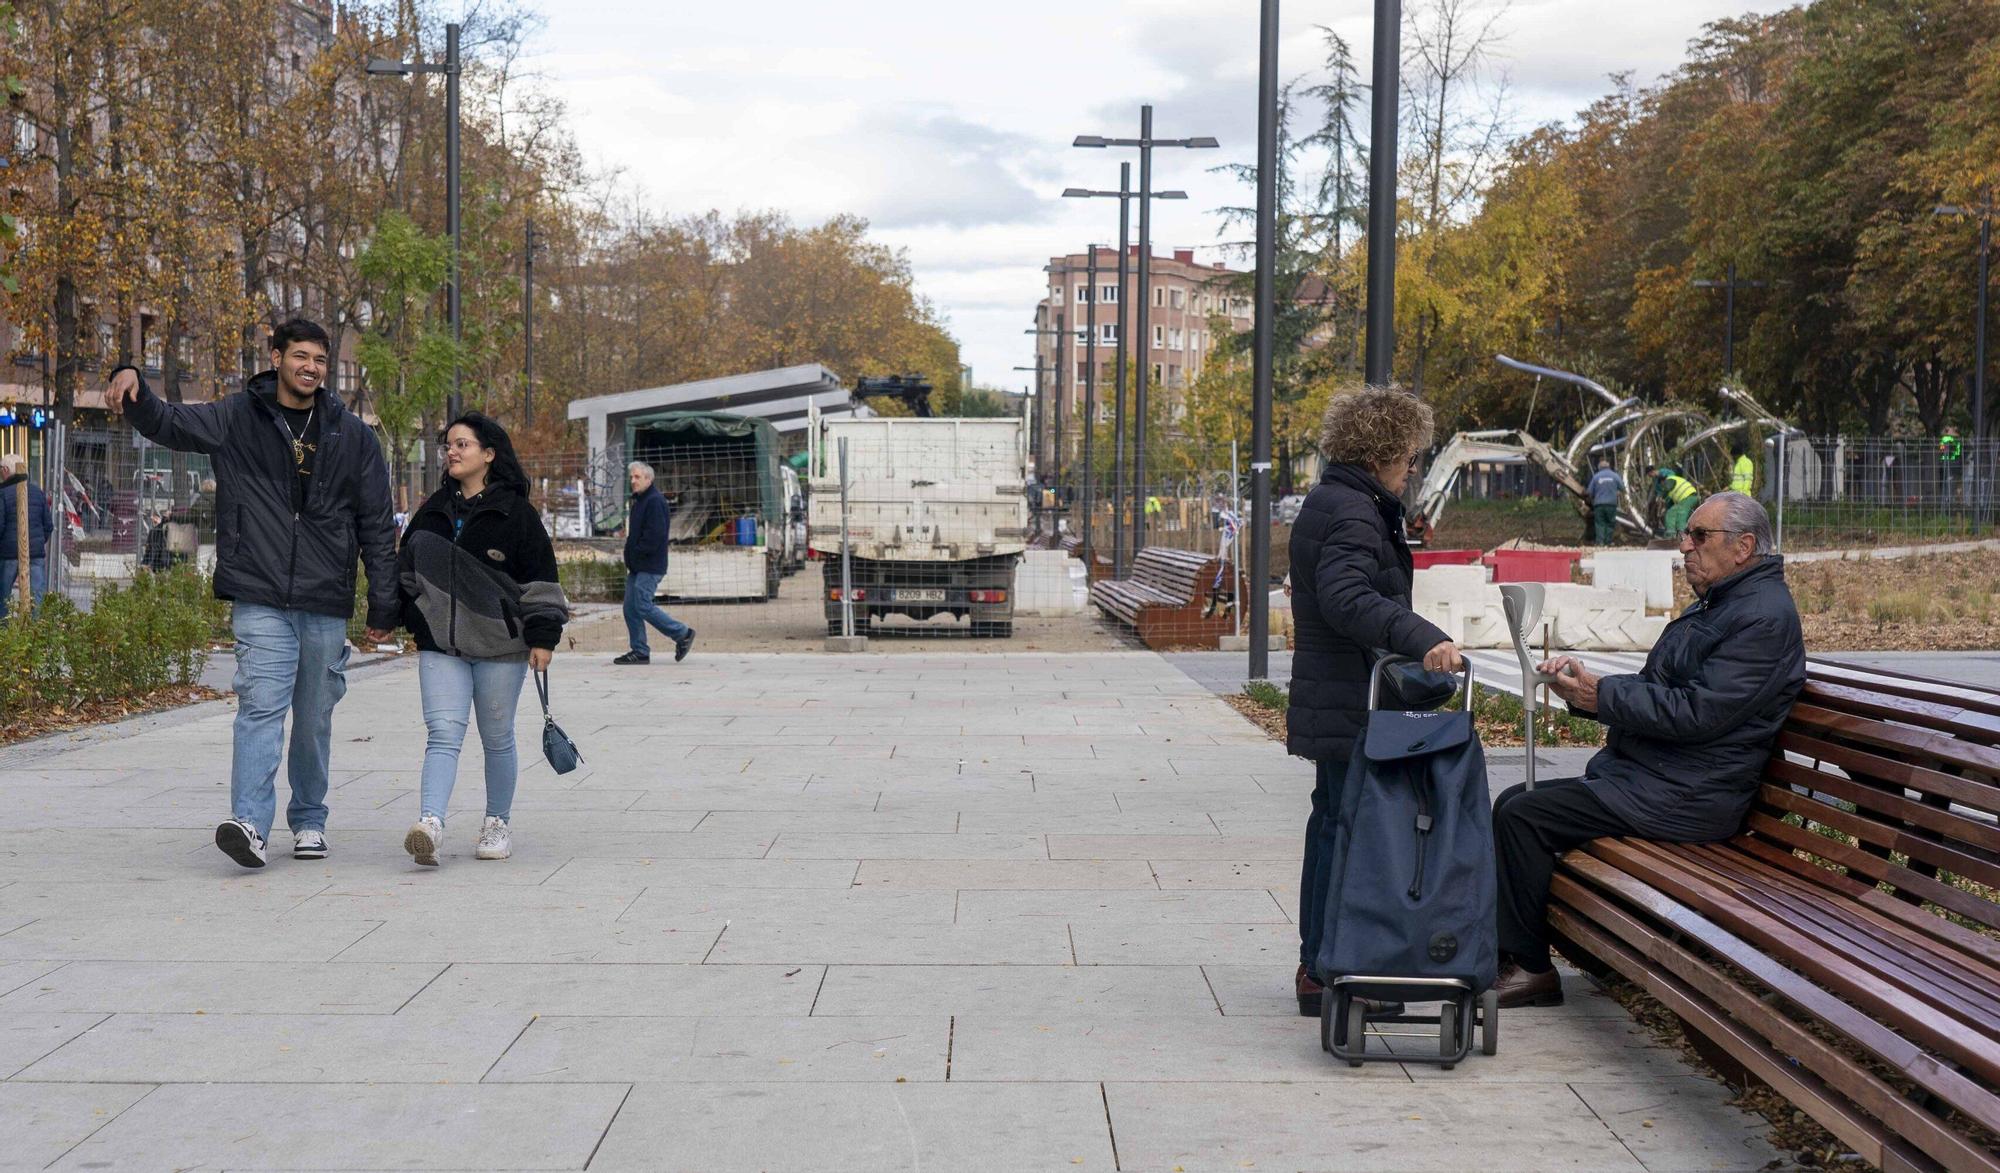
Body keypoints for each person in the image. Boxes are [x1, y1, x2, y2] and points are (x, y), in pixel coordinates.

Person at [1489, 491, 1804, 1008]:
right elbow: (1666, 693)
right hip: (1662, 779)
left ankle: (1530, 966)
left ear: (1743, 547)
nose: (1685, 546)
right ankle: (1517, 954)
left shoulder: (1761, 618)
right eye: (1688, 535)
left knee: (1524, 815)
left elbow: (1696, 713)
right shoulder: (1727, 604)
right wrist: (1588, 692)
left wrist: (1603, 696)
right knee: (1513, 804)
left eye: (1699, 536)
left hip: (1691, 795)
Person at [106, 318, 399, 869]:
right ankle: (250, 823)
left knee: (313, 717)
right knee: (260, 707)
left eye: (319, 359)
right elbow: (171, 423)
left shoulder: (350, 433)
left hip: (323, 597)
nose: (310, 367)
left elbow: (377, 524)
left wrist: (384, 601)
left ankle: (310, 818)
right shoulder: (237, 417)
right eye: (300, 356)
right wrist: (134, 381)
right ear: (276, 356)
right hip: (259, 593)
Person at [1287, 384, 1465, 1018]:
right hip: (1349, 699)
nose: (1414, 469)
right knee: (1345, 830)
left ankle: (1324, 964)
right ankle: (1334, 968)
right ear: (1387, 451)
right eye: (1411, 456)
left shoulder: (1341, 501)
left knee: (1335, 822)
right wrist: (1426, 641)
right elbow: (1348, 597)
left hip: (1340, 694)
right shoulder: (1353, 511)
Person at [396, 412, 567, 866]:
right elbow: (406, 569)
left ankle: (497, 823)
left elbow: (542, 581)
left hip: (499, 648)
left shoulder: (517, 516)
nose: (451, 452)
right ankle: (430, 823)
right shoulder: (434, 510)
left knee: (497, 736)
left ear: (489, 454)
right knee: (442, 735)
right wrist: (417, 616)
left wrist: (543, 637)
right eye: (449, 445)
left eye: (462, 445)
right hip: (442, 647)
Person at [614, 460, 695, 665]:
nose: (633, 481)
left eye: (637, 477)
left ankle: (682, 634)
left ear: (649, 479)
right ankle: (640, 651)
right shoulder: (640, 501)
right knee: (630, 608)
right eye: (631, 477)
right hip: (638, 566)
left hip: (649, 565)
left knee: (642, 605)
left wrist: (637, 553)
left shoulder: (655, 501)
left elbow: (655, 536)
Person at [0, 452, 53, 620]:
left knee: (3, 597)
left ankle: (5, 634)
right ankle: (34, 632)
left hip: (8, 554)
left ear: (5, 470)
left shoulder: (2, 494)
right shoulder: (38, 492)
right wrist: (36, 544)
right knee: (36, 596)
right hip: (35, 554)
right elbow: (48, 526)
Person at [1654, 465, 1699, 539]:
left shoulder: (1669, 480)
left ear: (1662, 481)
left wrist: (1661, 495)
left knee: (1672, 513)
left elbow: (1667, 488)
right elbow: (1669, 501)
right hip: (1690, 497)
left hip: (1688, 497)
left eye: (1661, 484)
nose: (1662, 486)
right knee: (1677, 513)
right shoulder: (1672, 481)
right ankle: (1681, 535)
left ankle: (1672, 535)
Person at [1586, 459, 1623, 545]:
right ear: (1609, 467)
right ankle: (1608, 542)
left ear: (1599, 468)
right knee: (1610, 523)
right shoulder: (1615, 476)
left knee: (1600, 523)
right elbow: (1622, 487)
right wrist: (1615, 491)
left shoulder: (1596, 477)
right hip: (1611, 504)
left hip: (1599, 504)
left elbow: (1589, 492)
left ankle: (1600, 542)